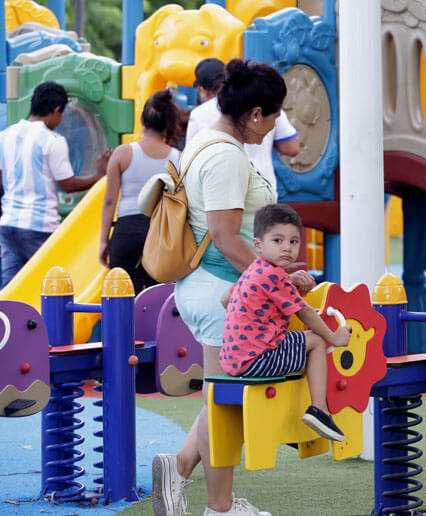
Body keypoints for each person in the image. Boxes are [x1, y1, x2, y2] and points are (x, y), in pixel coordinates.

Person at [152, 60, 315, 516]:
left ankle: (180, 470)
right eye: (274, 116)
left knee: (222, 397)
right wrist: (276, 279)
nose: (274, 128)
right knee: (225, 402)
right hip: (220, 288)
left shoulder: (206, 141)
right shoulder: (225, 156)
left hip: (217, 285)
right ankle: (218, 507)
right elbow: (225, 235)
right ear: (256, 114)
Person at [220, 204, 350, 440]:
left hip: (233, 359)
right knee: (316, 341)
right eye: (278, 241)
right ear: (258, 245)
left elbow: (225, 299)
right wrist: (334, 336)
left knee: (295, 342)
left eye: (293, 241)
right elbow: (305, 312)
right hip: (258, 359)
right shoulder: (275, 276)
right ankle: (319, 409)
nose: (287, 248)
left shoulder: (254, 270)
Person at [0, 81, 109, 286]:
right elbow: (68, 184)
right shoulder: (52, 140)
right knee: (52, 284)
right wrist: (98, 176)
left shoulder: (5, 136)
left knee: (10, 286)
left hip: (8, 224)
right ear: (57, 110)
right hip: (39, 226)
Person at [99, 89, 182, 292]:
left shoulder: (123, 153)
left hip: (127, 230)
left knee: (122, 294)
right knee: (158, 296)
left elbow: (109, 201)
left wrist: (103, 240)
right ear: (169, 122)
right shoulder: (178, 157)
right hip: (160, 231)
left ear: (143, 120)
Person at [185, 57, 300, 187]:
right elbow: (292, 147)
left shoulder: (199, 114)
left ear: (202, 90)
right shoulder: (268, 103)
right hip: (262, 186)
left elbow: (190, 164)